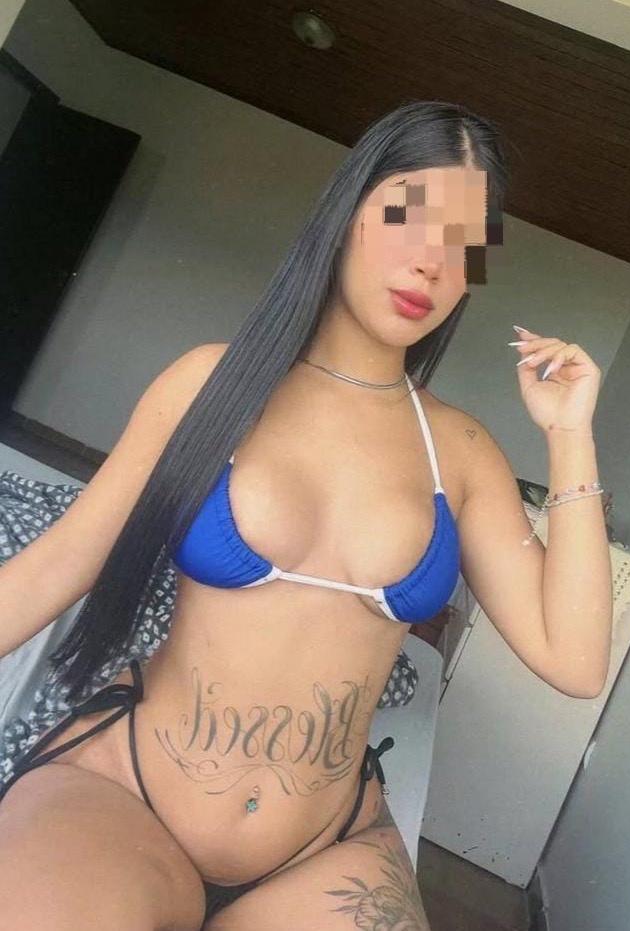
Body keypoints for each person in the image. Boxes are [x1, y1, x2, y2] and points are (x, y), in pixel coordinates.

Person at [0, 100, 513, 930]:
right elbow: (56, 564)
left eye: (464, 243)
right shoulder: (213, 383)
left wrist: (571, 439)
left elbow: (576, 662)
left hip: (325, 848)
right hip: (130, 791)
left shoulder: (458, 446)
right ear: (349, 212)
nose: (431, 261)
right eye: (410, 216)